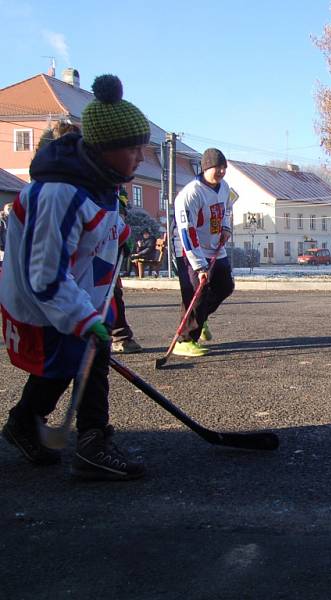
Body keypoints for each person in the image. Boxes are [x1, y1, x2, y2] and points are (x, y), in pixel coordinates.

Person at [1, 74, 149, 480]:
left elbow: (98, 226)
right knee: (72, 362)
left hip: (78, 293)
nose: (141, 157)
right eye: (133, 148)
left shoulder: (101, 180)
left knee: (77, 362)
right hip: (47, 300)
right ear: (105, 149)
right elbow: (45, 274)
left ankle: (32, 426)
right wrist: (84, 319)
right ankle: (89, 443)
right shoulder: (60, 193)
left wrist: (118, 233)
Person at [172, 148, 235, 357]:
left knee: (225, 285)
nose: (222, 172)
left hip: (215, 245)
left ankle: (202, 317)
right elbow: (187, 231)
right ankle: (185, 339)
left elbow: (227, 208)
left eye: (224, 168)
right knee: (195, 293)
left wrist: (226, 227)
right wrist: (199, 265)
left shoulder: (224, 187)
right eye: (218, 168)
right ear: (206, 167)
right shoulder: (191, 194)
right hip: (190, 249)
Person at [110, 186, 144, 354]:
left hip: (108, 240)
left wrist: (121, 230)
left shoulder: (114, 185)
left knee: (112, 291)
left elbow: (120, 205)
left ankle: (120, 335)